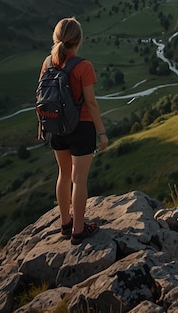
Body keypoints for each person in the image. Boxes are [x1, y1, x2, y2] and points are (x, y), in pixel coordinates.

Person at [40, 16, 109, 245]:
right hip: (82, 128)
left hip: (56, 127)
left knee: (63, 174)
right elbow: (91, 103)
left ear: (56, 38)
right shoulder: (83, 66)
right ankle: (79, 231)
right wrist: (102, 133)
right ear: (79, 40)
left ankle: (65, 223)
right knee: (79, 179)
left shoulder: (48, 62)